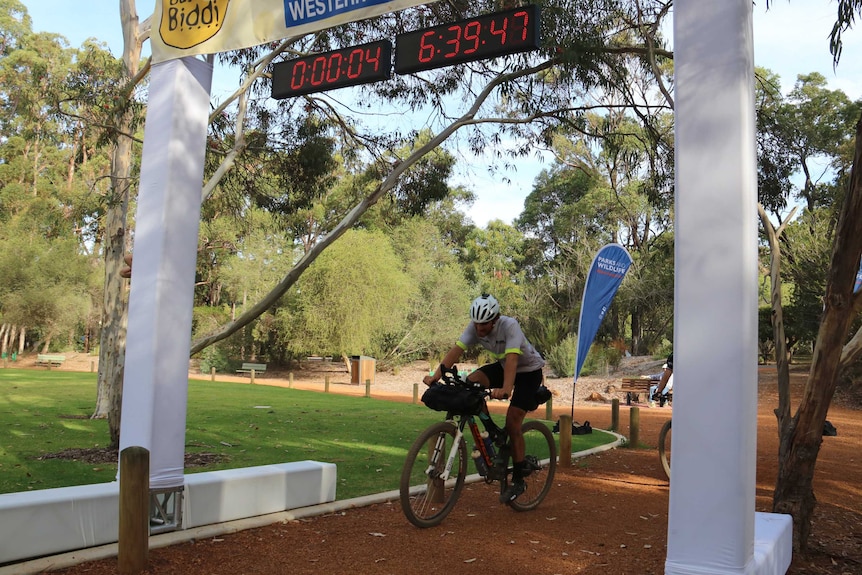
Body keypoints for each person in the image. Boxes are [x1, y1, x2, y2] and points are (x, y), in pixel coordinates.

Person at [422, 294, 545, 503]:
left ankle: (518, 480)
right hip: (504, 365)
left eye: (484, 324)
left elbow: (513, 359)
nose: (479, 329)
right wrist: (435, 376)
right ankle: (494, 432)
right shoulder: (475, 326)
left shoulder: (509, 325)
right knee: (471, 382)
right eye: (477, 324)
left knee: (513, 420)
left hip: (528, 371)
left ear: (495, 319)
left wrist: (506, 389)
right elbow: (456, 351)